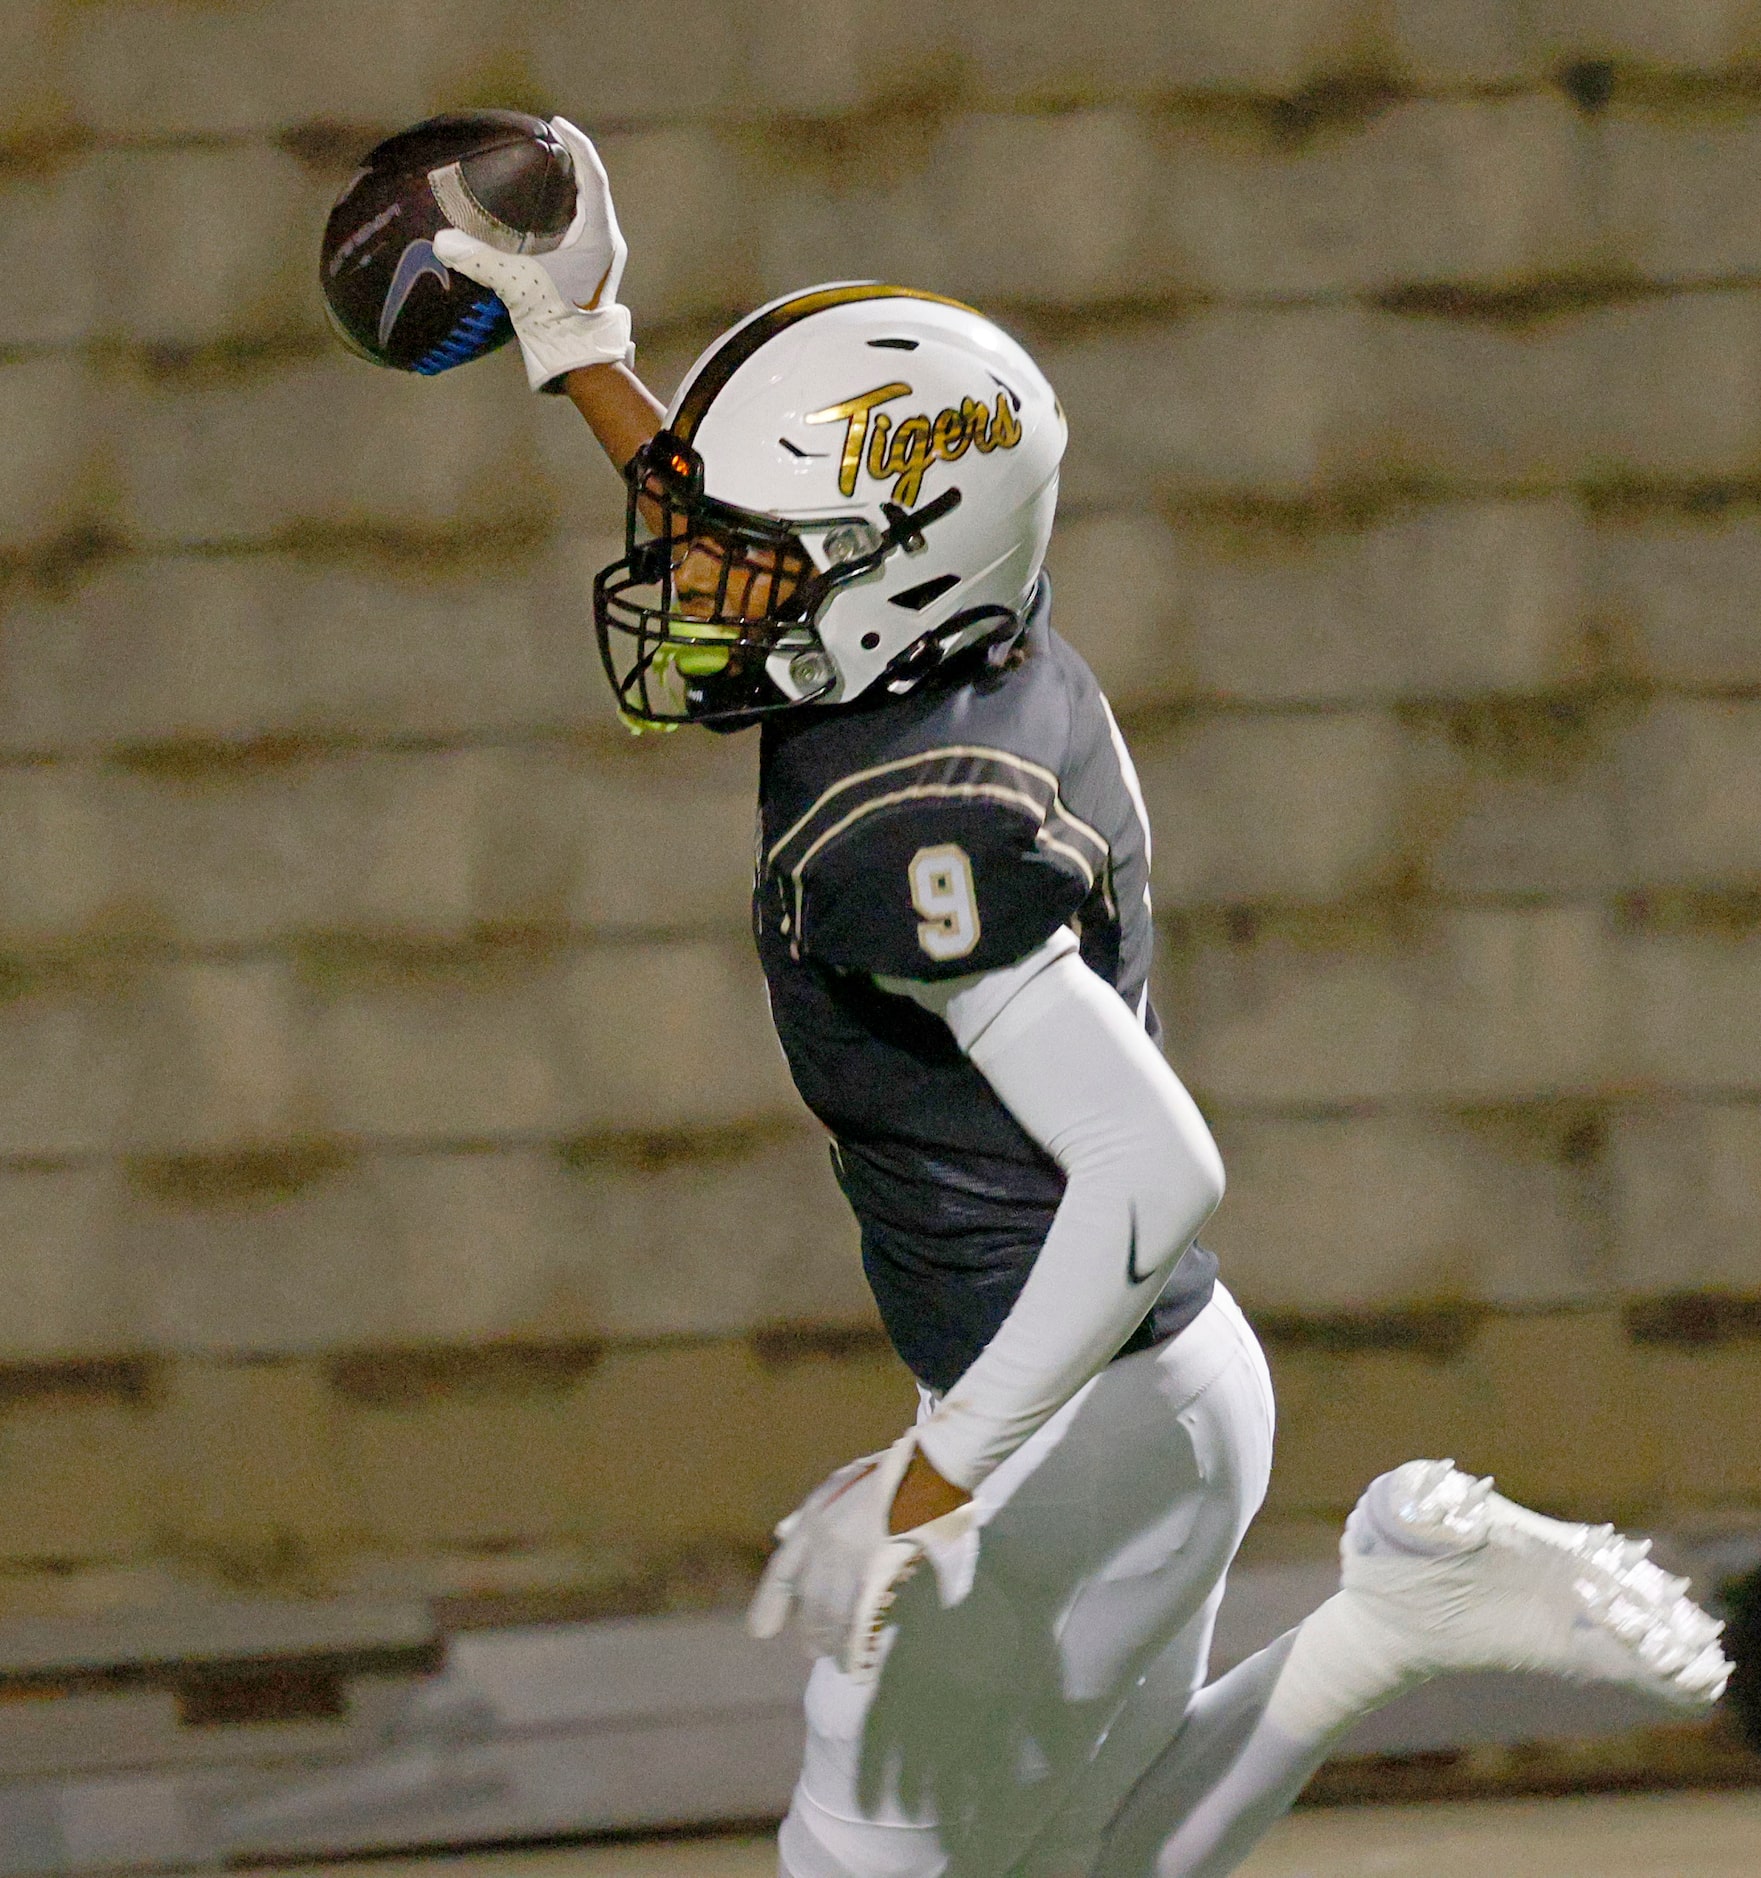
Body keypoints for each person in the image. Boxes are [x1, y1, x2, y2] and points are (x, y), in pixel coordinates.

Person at [429, 120, 1730, 1878]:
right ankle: (1389, 1621)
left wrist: (932, 1475)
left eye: (743, 551)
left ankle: (1392, 1617)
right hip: (1148, 1393)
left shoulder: (905, 829)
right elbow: (787, 534)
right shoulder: (965, 632)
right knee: (1071, 1867)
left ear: (880, 567)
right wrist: (582, 345)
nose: (692, 578)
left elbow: (1152, 1167)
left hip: (1068, 1415)